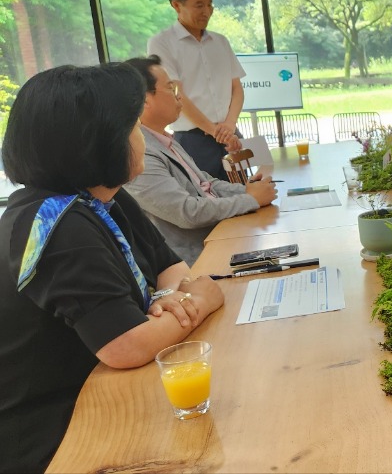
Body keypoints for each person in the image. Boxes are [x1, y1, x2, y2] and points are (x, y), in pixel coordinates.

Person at [0, 64, 225, 473]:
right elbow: (124, 346)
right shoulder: (57, 225)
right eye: (132, 129)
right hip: (55, 437)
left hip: (111, 397)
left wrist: (171, 300)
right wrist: (199, 302)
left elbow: (171, 268)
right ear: (98, 143)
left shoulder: (105, 200)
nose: (141, 138)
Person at [123, 55, 277, 266]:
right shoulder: (141, 153)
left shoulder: (166, 139)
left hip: (221, 235)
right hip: (197, 259)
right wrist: (251, 200)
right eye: (171, 88)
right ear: (145, 100)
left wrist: (247, 191)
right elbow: (187, 212)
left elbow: (205, 183)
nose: (179, 97)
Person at [148, 0, 246, 181]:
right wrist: (214, 130)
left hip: (231, 136)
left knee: (248, 193)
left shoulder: (220, 42)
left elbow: (236, 88)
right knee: (206, 201)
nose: (206, 11)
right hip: (194, 140)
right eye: (199, 5)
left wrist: (230, 125)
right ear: (176, 5)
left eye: (210, 4)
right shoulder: (161, 43)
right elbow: (177, 94)